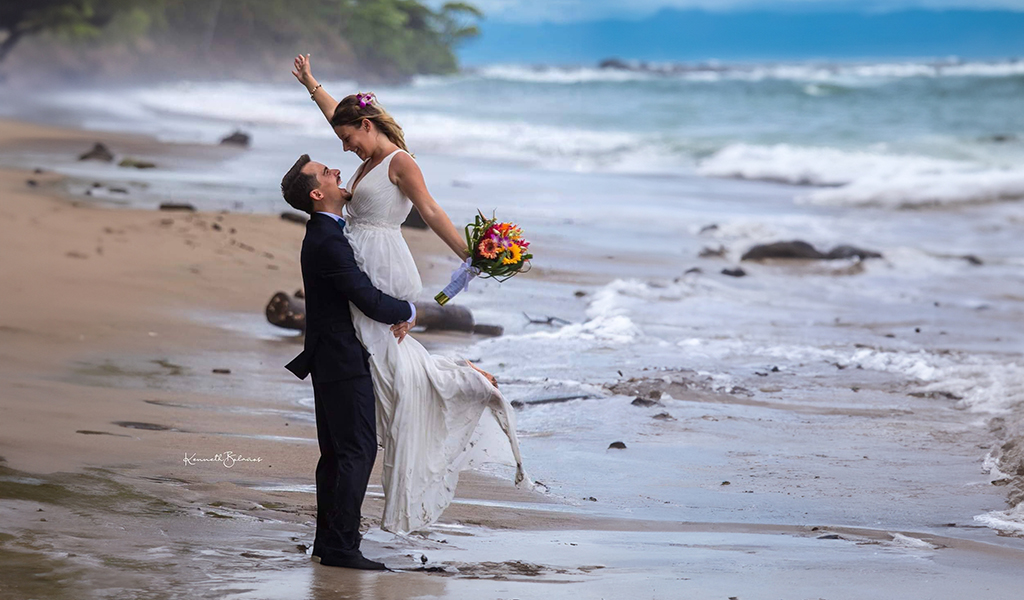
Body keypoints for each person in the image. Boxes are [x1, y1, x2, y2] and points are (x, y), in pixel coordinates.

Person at [291, 53, 528, 535]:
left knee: (392, 364)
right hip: (354, 260)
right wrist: (314, 86)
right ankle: (457, 379)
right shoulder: (366, 155)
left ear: (366, 124)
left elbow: (433, 211)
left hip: (378, 262)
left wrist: (475, 254)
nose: (346, 150)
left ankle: (465, 382)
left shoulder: (400, 162)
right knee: (385, 366)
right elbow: (343, 118)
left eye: (349, 138)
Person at [280, 154, 414, 570]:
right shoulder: (327, 239)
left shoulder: (327, 232)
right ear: (319, 193)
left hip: (330, 355)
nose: (337, 170)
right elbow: (364, 296)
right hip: (340, 357)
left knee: (339, 453)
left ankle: (328, 542)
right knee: (355, 450)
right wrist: (407, 310)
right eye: (326, 172)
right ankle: (341, 547)